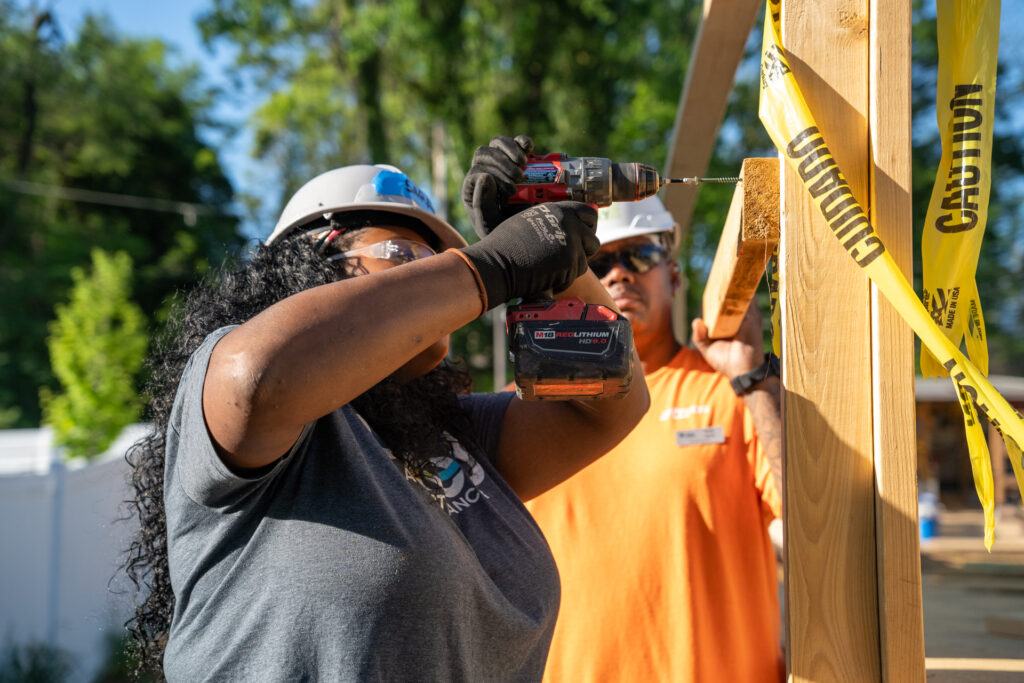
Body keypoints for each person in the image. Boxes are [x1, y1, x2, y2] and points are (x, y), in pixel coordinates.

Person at [121, 158, 649, 680]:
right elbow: (255, 377)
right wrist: (492, 266)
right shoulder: (239, 397)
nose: (429, 270)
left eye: (435, 259)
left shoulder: (449, 435)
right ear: (311, 262)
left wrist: (558, 264)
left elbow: (610, 402)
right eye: (403, 254)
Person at [519, 194, 785, 682]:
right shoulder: (525, 412)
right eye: (598, 264)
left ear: (675, 276)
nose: (619, 275)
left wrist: (755, 384)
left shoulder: (733, 392)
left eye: (639, 256)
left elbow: (817, 523)